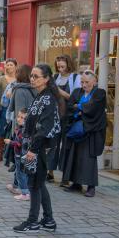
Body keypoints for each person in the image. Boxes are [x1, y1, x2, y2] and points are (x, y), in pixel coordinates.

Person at [13, 64, 62, 233]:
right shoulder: (41, 96)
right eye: (31, 76)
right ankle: (48, 220)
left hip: (41, 147)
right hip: (36, 145)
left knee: (34, 184)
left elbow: (45, 128)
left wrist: (33, 150)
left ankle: (32, 221)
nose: (32, 79)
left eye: (36, 76)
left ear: (47, 78)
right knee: (39, 183)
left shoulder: (47, 98)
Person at [60, 70, 106, 197]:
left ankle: (91, 186)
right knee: (74, 156)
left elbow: (93, 108)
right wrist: (80, 109)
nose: (84, 85)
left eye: (87, 82)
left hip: (91, 130)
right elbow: (70, 106)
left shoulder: (99, 93)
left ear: (94, 81)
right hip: (76, 129)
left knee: (88, 158)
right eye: (82, 82)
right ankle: (76, 183)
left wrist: (79, 107)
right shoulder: (77, 92)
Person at [48, 54, 81, 182]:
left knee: (66, 145)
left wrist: (59, 91)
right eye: (58, 66)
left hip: (68, 116)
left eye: (62, 66)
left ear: (68, 64)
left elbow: (74, 98)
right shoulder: (56, 77)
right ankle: (50, 172)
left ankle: (65, 176)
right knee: (52, 143)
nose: (60, 68)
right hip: (55, 114)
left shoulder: (75, 78)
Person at [6, 64, 35, 172]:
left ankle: (18, 183)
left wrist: (18, 129)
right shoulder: (34, 88)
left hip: (21, 127)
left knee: (19, 153)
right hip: (32, 125)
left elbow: (17, 110)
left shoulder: (18, 90)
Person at [0, 58, 17, 162]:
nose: (9, 67)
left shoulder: (18, 78)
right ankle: (0, 153)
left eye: (11, 65)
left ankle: (11, 153)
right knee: (1, 130)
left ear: (16, 66)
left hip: (15, 108)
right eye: (7, 65)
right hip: (3, 107)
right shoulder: (3, 78)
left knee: (14, 130)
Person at [5, 108, 30, 201]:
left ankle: (25, 193)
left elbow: (19, 144)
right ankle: (19, 187)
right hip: (19, 155)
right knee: (19, 172)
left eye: (22, 117)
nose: (19, 119)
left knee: (21, 174)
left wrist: (10, 142)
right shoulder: (21, 128)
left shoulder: (23, 130)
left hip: (20, 155)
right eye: (18, 116)